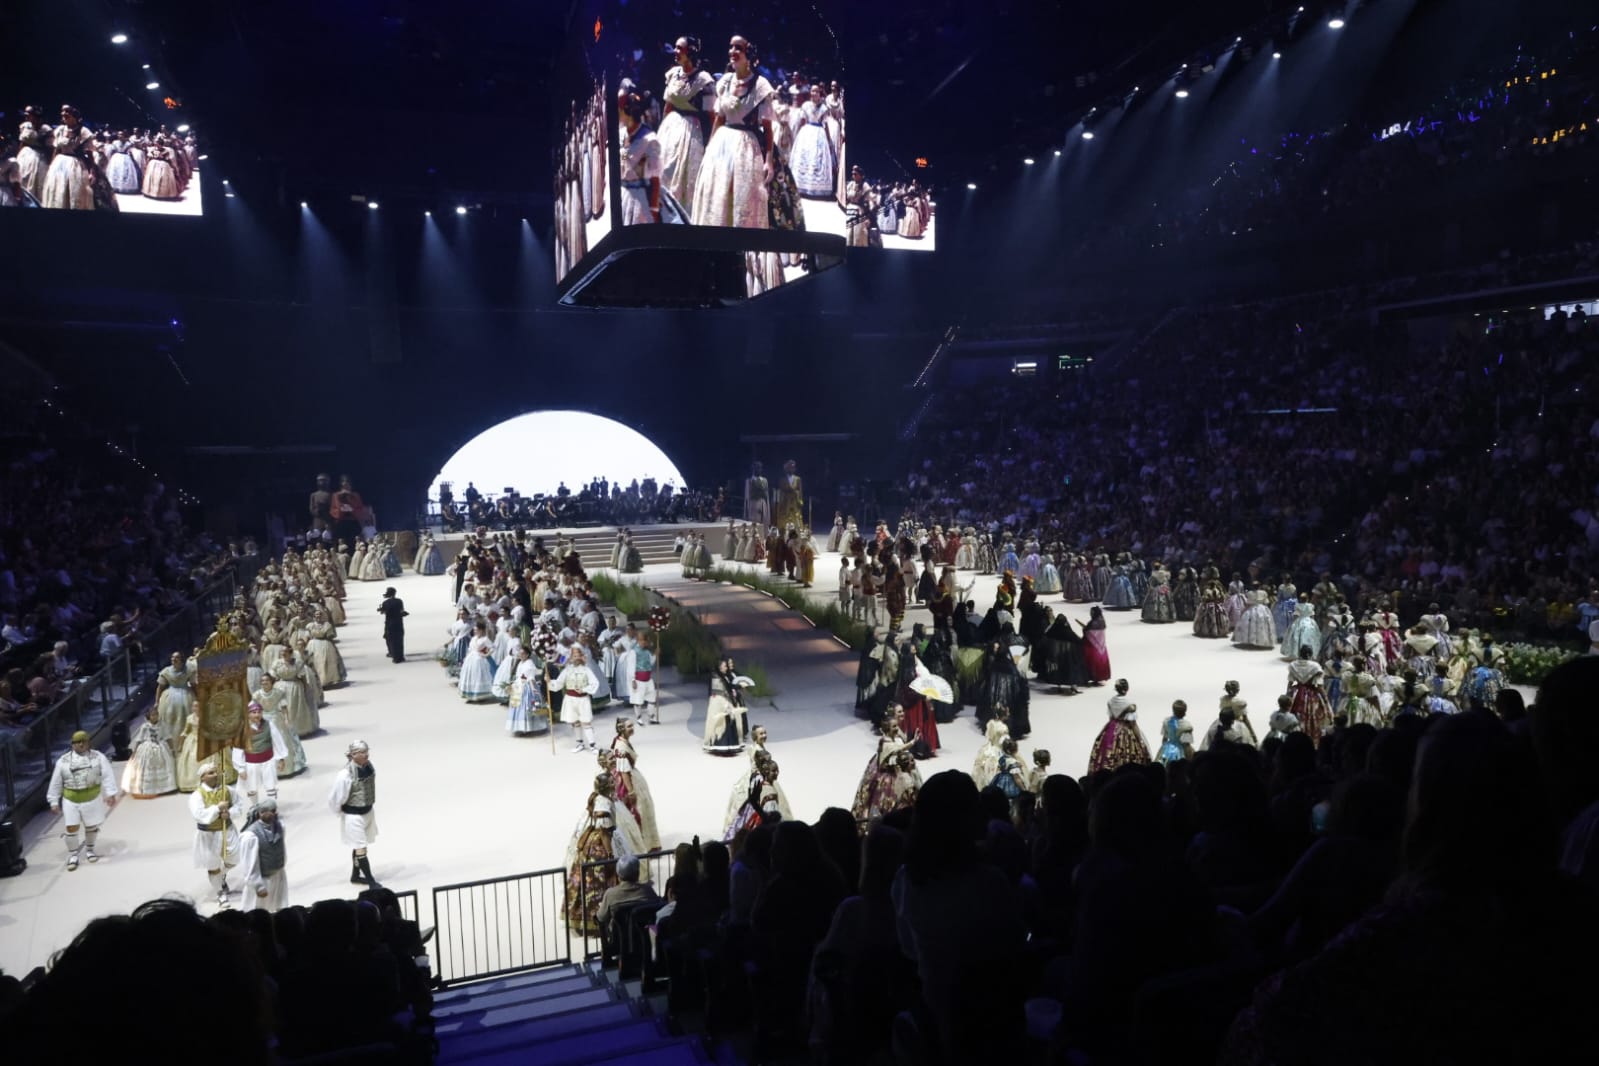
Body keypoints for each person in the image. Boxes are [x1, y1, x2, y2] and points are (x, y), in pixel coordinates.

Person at [691, 36, 776, 228]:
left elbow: (768, 128)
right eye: (731, 47)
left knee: (742, 196)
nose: (732, 51)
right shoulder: (725, 82)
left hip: (746, 147)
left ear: (749, 54)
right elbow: (720, 118)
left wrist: (769, 161)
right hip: (722, 144)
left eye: (738, 48)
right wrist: (710, 147)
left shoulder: (760, 86)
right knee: (717, 191)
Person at [47, 730, 120, 870]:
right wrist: (53, 801)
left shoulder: (98, 757)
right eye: (78, 741)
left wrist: (110, 793)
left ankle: (90, 850)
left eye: (84, 741)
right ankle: (73, 854)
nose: (81, 744)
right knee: (71, 827)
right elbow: (56, 782)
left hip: (92, 798)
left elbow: (107, 776)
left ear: (88, 742)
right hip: (71, 799)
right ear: (72, 744)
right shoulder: (63, 761)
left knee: (92, 826)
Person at [659, 36, 716, 205]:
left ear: (690, 52)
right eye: (675, 48)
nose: (675, 52)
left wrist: (712, 144)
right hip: (670, 129)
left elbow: (712, 116)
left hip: (691, 131)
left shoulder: (704, 80)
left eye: (679, 48)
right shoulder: (672, 75)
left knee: (684, 175)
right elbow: (668, 106)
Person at [190, 757, 243, 904]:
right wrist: (216, 808)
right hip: (208, 834)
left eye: (215, 772)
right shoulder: (197, 795)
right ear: (203, 777)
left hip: (227, 830)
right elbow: (199, 815)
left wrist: (230, 813)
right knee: (212, 865)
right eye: (211, 773)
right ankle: (220, 892)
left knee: (234, 858)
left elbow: (239, 804)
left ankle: (222, 875)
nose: (215, 774)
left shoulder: (227, 790)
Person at [328, 739, 381, 888]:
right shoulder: (345, 774)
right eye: (362, 752)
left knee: (361, 845)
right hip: (353, 815)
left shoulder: (369, 767)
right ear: (353, 754)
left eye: (367, 751)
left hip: (368, 811)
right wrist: (341, 813)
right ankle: (370, 881)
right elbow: (335, 797)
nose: (366, 755)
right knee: (360, 847)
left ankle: (356, 875)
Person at [610, 718, 661, 852]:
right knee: (640, 810)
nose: (632, 728)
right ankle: (642, 845)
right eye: (629, 726)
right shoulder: (621, 747)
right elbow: (624, 771)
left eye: (632, 725)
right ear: (621, 729)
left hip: (632, 774)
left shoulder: (621, 740)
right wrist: (631, 791)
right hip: (629, 782)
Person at [1088, 679, 1151, 773]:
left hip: (1111, 729)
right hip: (1126, 730)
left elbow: (1111, 718)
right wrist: (1140, 739)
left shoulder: (1111, 701)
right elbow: (1133, 724)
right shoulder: (1130, 704)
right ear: (1127, 689)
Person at [231, 701, 288, 805]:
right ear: (248, 714)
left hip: (268, 761)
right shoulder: (242, 729)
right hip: (251, 764)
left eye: (259, 712)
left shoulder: (269, 724)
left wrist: (281, 759)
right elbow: (238, 749)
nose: (257, 715)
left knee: (271, 786)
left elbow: (277, 741)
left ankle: (272, 808)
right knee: (251, 787)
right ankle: (255, 807)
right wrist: (240, 768)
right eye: (253, 712)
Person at [237, 798, 288, 913]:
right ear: (262, 813)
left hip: (278, 876)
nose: (276, 813)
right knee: (258, 912)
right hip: (262, 879)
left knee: (278, 908)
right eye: (273, 811)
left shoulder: (280, 827)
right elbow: (249, 864)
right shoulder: (251, 836)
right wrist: (258, 886)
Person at [597, 854, 662, 937]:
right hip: (643, 939)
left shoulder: (610, 894)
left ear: (618, 875)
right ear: (638, 874)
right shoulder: (648, 890)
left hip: (619, 941)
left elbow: (601, 917)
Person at [551, 647, 602, 752]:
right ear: (571, 657)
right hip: (570, 699)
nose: (576, 658)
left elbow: (595, 683)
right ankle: (580, 743)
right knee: (575, 722)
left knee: (586, 722)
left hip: (582, 699)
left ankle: (592, 746)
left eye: (578, 655)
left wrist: (584, 689)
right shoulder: (567, 670)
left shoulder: (586, 670)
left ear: (582, 657)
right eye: (574, 656)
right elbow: (559, 683)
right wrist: (550, 682)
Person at [121, 705, 177, 798]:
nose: (155, 717)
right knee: (146, 767)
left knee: (165, 764)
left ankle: (164, 787)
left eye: (156, 715)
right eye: (152, 715)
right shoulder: (145, 726)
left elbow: (168, 737)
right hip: (147, 748)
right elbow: (139, 739)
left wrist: (172, 749)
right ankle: (148, 788)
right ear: (148, 716)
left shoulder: (162, 725)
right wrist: (135, 751)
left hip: (160, 747)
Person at [704, 657, 749, 754]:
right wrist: (726, 703)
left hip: (727, 702)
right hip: (719, 704)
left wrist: (740, 686)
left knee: (730, 723)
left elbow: (730, 686)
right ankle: (719, 745)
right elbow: (719, 691)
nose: (726, 668)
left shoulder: (725, 676)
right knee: (720, 725)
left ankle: (730, 745)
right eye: (724, 666)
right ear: (719, 667)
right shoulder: (716, 677)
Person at [630, 635, 659, 725]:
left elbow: (651, 663)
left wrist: (655, 654)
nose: (643, 642)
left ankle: (651, 716)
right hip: (639, 679)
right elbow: (631, 666)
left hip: (648, 679)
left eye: (645, 641)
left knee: (652, 699)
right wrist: (632, 679)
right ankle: (639, 717)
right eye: (641, 640)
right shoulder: (634, 652)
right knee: (638, 700)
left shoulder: (647, 652)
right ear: (638, 641)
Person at [1079, 606, 1112, 684]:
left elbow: (1087, 631)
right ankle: (1099, 677)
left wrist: (1084, 629)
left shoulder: (1093, 622)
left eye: (1092, 612)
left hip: (1092, 646)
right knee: (1101, 662)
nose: (1090, 614)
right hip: (1102, 645)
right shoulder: (1102, 621)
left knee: (1092, 662)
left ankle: (1092, 677)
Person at [1157, 700, 1194, 764]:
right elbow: (1186, 745)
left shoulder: (1167, 722)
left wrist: (1163, 749)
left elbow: (1164, 739)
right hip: (1180, 751)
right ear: (1184, 712)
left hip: (1167, 750)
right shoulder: (1185, 726)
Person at [378, 587, 407, 663]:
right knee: (399, 639)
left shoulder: (385, 603)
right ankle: (400, 656)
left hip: (389, 623)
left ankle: (393, 654)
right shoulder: (399, 601)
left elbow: (383, 612)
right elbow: (402, 611)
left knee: (390, 639)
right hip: (398, 622)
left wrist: (381, 610)